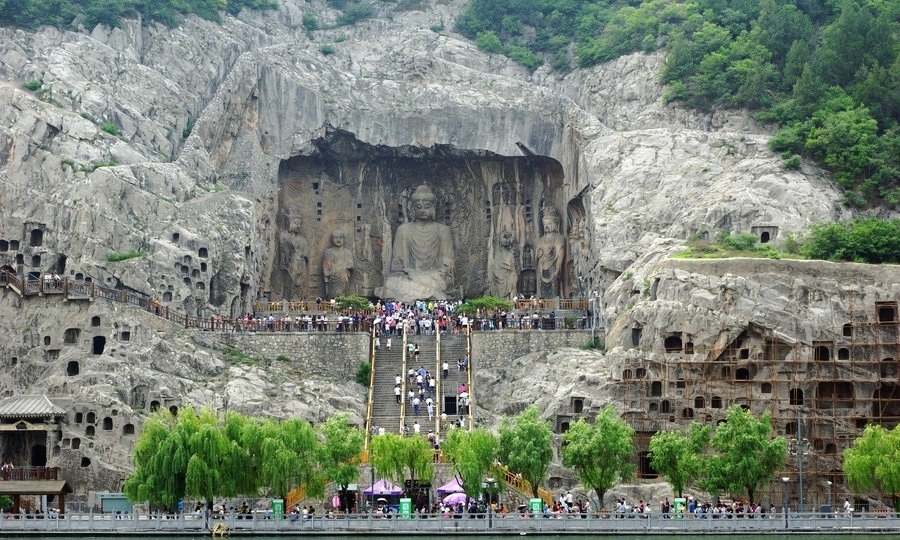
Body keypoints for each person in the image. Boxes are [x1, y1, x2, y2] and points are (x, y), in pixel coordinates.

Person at [536, 205, 566, 298]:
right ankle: (542, 301)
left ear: (556, 224)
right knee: (541, 287)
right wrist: (538, 255)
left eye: (549, 223)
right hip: (542, 267)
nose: (546, 226)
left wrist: (558, 268)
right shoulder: (540, 240)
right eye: (545, 224)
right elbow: (536, 256)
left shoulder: (559, 238)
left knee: (554, 286)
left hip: (553, 266)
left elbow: (560, 254)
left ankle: (554, 302)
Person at [322, 229, 354, 298]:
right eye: (336, 238)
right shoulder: (328, 252)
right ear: (332, 239)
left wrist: (349, 266)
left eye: (340, 237)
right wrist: (328, 272)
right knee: (332, 296)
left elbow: (351, 265)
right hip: (333, 277)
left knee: (343, 293)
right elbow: (326, 267)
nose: (338, 240)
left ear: (344, 239)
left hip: (343, 278)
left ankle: (343, 300)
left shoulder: (347, 252)